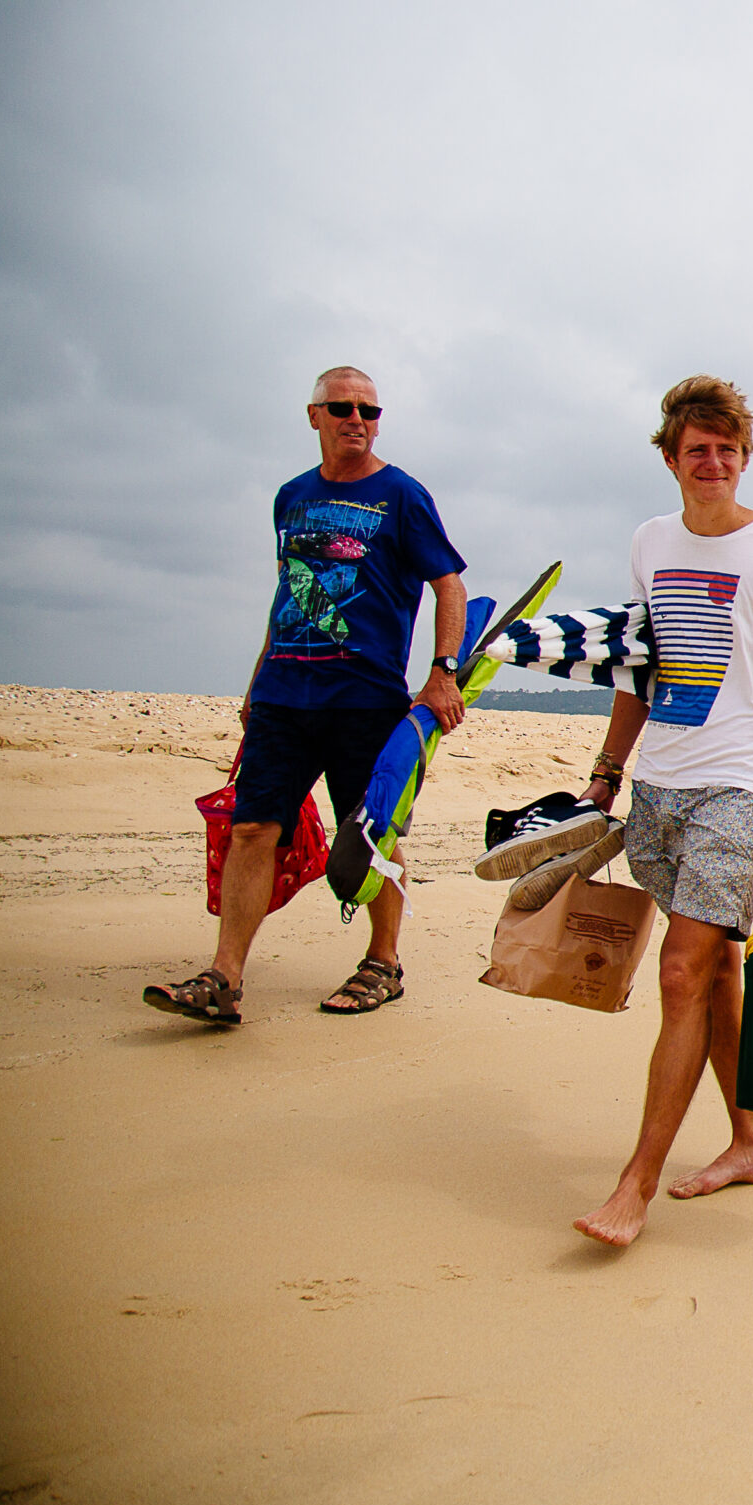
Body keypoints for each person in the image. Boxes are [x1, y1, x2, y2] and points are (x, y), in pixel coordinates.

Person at [570, 376, 753, 1248]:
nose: (711, 462)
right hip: (659, 784)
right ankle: (751, 1141)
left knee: (680, 971)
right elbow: (637, 668)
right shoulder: (649, 542)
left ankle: (632, 1186)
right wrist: (607, 771)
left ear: (745, 457)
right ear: (672, 459)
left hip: (739, 786)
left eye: (727, 448)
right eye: (695, 449)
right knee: (714, 972)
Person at [143, 367, 467, 1025]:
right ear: (314, 415)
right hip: (284, 695)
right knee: (254, 827)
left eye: (370, 410)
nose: (358, 419)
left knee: (369, 834)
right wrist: (258, 680)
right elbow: (290, 590)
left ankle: (383, 961)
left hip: (366, 699)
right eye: (343, 407)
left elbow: (450, 584)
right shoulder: (290, 496)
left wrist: (443, 673)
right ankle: (225, 976)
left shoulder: (400, 494)